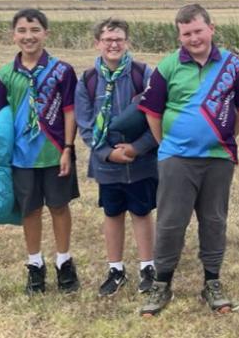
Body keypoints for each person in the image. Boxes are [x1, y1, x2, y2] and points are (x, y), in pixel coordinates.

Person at [137, 3, 239, 316]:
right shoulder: (168, 66)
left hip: (219, 158)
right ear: (180, 36)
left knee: (214, 221)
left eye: (198, 31)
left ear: (211, 29)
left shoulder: (234, 65)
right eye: (186, 33)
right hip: (177, 159)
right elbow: (153, 111)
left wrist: (225, 136)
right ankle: (162, 284)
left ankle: (212, 282)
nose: (193, 38)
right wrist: (167, 145)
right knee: (171, 222)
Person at [0, 9, 80, 295]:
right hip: (21, 157)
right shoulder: (5, 74)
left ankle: (64, 262)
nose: (28, 36)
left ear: (46, 33)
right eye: (21, 30)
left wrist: (67, 148)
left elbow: (70, 112)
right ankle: (34, 265)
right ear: (13, 35)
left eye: (34, 30)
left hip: (55, 153)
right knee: (30, 210)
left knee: (58, 206)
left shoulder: (62, 71)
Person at [74, 18, 158, 297]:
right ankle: (116, 269)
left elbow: (156, 117)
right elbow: (85, 125)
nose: (113, 44)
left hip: (142, 161)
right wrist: (107, 153)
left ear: (127, 42)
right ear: (98, 43)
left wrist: (138, 148)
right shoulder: (87, 81)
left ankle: (148, 267)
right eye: (107, 39)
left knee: (142, 211)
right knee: (112, 213)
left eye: (119, 39)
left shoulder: (144, 75)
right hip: (107, 164)